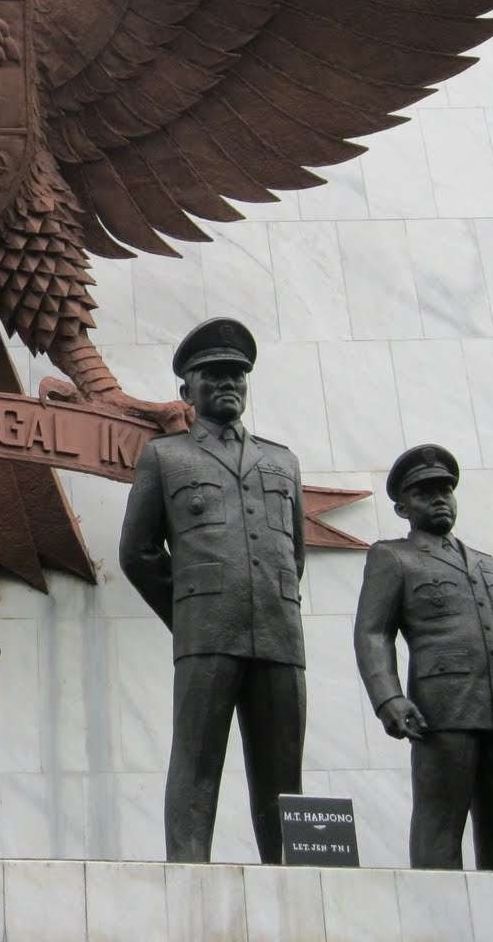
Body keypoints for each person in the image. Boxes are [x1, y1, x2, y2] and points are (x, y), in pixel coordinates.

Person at [118, 317, 305, 863]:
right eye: (212, 375)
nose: (227, 385)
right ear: (187, 390)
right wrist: (190, 611)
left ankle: (292, 875)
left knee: (282, 772)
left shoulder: (282, 461)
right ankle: (188, 871)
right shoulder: (166, 457)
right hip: (206, 635)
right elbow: (137, 552)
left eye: (236, 376)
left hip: (278, 635)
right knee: (197, 763)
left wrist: (266, 599)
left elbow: (292, 555)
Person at [354, 443, 493, 870]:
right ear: (402, 507)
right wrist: (389, 698)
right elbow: (372, 632)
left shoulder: (489, 566)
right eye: (424, 492)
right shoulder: (393, 556)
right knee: (439, 829)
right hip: (443, 710)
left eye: (445, 490)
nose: (439, 498)